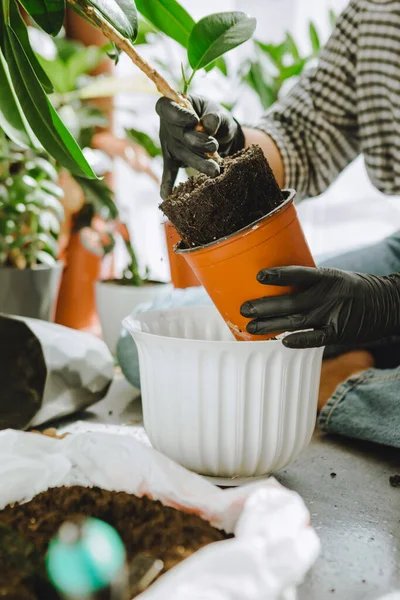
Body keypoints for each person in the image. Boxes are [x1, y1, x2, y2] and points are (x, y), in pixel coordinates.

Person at [156, 0, 400, 448]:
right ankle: (366, 370)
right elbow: (305, 134)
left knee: (251, 376)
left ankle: (343, 389)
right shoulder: (375, 10)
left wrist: (391, 302)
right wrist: (229, 143)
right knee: (151, 337)